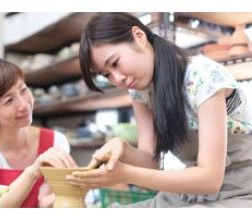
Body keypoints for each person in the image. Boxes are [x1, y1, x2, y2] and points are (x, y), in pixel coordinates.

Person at [66, 12, 252, 207]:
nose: (117, 79)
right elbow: (151, 161)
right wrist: (121, 147)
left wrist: (126, 174)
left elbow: (210, 179)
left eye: (115, 63)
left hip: (240, 189)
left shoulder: (203, 76)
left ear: (139, 36)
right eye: (106, 75)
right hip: (191, 191)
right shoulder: (140, 92)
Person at [0, 58, 77, 208]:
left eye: (23, 90)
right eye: (9, 101)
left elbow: (60, 202)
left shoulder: (56, 142)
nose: (24, 105)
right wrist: (33, 171)